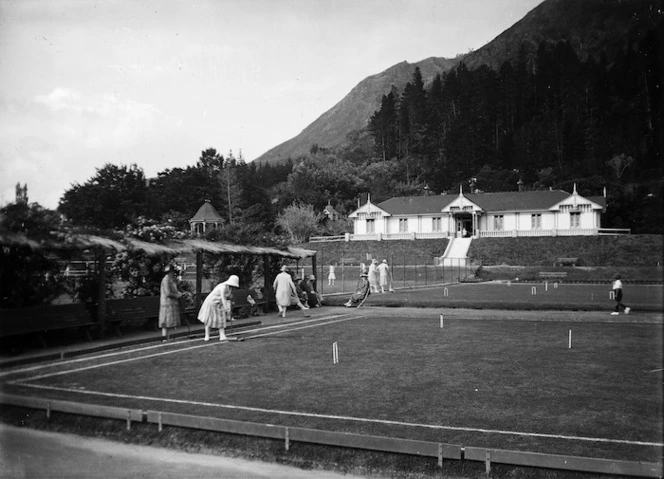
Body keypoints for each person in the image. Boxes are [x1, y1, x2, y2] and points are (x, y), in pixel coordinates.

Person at [197, 274, 239, 341]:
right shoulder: (223, 286)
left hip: (219, 304)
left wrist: (228, 303)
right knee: (209, 319)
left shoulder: (229, 288)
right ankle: (206, 336)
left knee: (221, 319)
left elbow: (227, 297)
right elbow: (222, 297)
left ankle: (222, 336)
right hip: (211, 303)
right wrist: (226, 308)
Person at [159, 264, 183, 341]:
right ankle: (164, 338)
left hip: (171, 303)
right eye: (172, 271)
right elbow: (167, 293)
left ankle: (168, 337)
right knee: (165, 322)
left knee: (170, 322)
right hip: (166, 304)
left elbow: (174, 290)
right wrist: (177, 295)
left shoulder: (172, 280)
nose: (173, 273)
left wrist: (178, 293)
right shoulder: (166, 280)